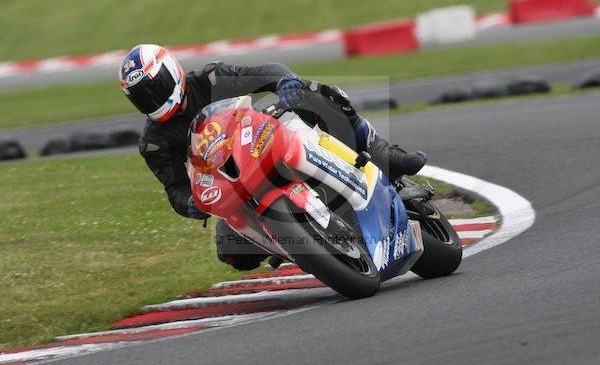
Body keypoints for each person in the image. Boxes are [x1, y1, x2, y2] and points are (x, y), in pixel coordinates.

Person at [119, 44, 426, 270]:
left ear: (172, 72)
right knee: (230, 249)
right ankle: (294, 243)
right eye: (142, 98)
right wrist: (189, 204)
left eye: (155, 89)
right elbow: (174, 188)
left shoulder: (210, 78)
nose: (152, 100)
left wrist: (284, 82)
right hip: (231, 182)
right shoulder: (154, 143)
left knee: (317, 95)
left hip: (260, 141)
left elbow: (265, 72)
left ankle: (386, 155)